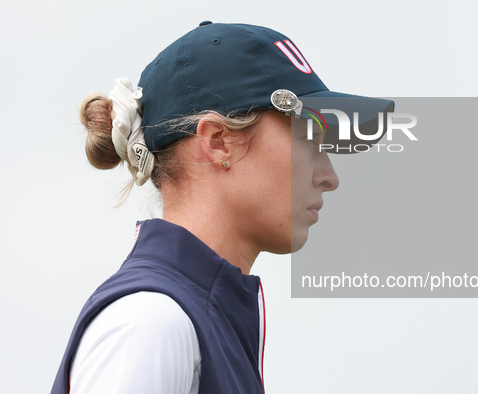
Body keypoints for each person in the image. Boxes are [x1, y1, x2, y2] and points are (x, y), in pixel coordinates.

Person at [51, 21, 394, 394]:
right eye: (308, 137)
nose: (330, 176)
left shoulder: (192, 319)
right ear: (218, 142)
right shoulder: (151, 323)